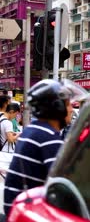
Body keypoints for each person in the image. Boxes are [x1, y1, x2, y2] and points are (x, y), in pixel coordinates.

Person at [3, 79, 74, 217]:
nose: (71, 109)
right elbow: (63, 183)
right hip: (29, 213)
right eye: (67, 104)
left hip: (17, 209)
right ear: (57, 107)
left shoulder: (32, 130)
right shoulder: (47, 137)